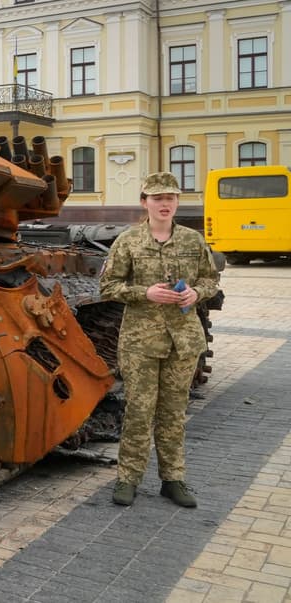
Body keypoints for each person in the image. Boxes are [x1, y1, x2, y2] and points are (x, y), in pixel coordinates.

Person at [99, 171, 219, 508]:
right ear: (145, 202)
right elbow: (108, 287)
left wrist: (196, 292)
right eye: (157, 198)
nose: (165, 204)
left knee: (174, 412)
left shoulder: (193, 242)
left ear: (177, 201)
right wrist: (145, 292)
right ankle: (128, 479)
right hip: (141, 342)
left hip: (183, 341)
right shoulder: (128, 242)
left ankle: (173, 479)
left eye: (170, 198)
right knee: (138, 410)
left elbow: (212, 280)